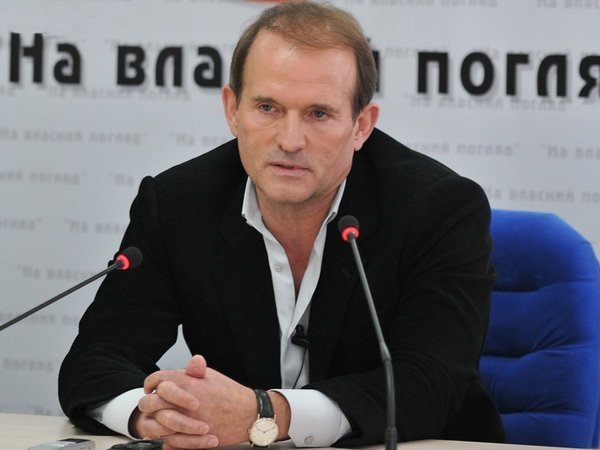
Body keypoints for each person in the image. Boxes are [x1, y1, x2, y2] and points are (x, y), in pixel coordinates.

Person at [58, 2, 505, 449]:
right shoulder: (178, 204)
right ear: (233, 109)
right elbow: (96, 359)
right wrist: (152, 415)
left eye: (319, 114)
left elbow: (430, 384)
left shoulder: (438, 208)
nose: (290, 141)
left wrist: (268, 412)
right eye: (268, 107)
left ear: (361, 126)